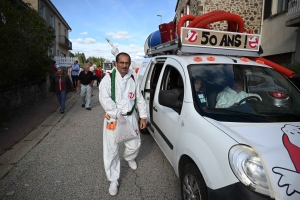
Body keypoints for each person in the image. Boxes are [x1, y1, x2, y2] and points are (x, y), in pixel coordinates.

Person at [99, 52, 147, 196]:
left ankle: (129, 158)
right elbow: (104, 99)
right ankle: (113, 180)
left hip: (130, 117)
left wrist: (143, 116)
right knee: (111, 150)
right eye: (122, 62)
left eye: (127, 63)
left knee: (135, 144)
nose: (124, 65)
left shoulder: (133, 77)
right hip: (113, 119)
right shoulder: (108, 79)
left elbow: (139, 98)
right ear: (116, 63)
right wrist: (116, 114)